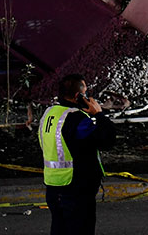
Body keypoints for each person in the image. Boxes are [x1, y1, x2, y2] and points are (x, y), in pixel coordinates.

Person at [39, 74, 115, 235]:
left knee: (59, 229)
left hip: (53, 185)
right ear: (78, 96)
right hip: (76, 187)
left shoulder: (49, 114)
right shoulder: (77, 119)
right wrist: (99, 114)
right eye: (85, 93)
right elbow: (107, 140)